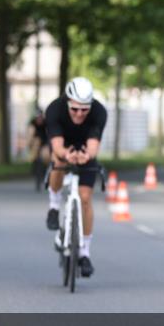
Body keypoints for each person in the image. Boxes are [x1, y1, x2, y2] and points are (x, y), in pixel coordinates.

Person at [43, 77, 108, 277]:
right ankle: (54, 206)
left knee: (86, 199)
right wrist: (66, 155)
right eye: (75, 109)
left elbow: (94, 145)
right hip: (63, 146)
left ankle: (84, 253)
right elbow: (57, 146)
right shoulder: (55, 109)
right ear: (68, 102)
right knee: (59, 162)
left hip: (84, 149)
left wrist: (87, 156)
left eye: (84, 109)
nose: (79, 113)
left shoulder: (99, 111)